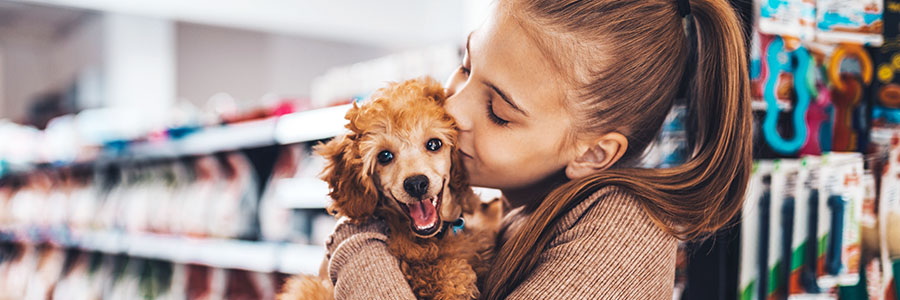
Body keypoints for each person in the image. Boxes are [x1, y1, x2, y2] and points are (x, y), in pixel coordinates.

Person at [324, 0, 751, 298]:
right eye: (467, 66)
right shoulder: (507, 209)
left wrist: (360, 239)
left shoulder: (623, 230)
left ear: (592, 155)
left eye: (497, 111)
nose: (453, 108)